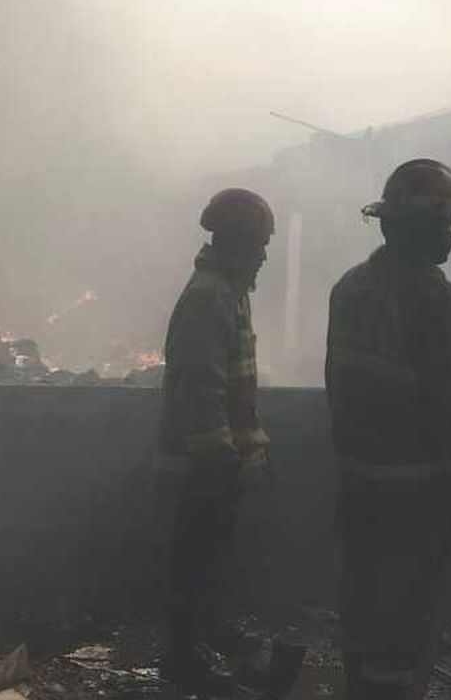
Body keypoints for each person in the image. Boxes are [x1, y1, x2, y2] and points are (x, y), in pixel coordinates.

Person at [325, 159, 451, 700]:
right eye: (444, 224)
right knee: (406, 625)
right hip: (419, 497)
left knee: (363, 613)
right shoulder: (439, 303)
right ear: (419, 229)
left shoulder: (349, 289)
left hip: (357, 484)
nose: (449, 235)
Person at [155, 188, 274, 696]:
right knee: (195, 562)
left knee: (209, 559)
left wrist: (252, 448)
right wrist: (220, 457)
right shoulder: (210, 297)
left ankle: (205, 636)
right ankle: (184, 658)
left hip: (218, 463)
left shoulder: (227, 293)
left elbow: (233, 389)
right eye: (260, 245)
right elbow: (202, 389)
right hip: (204, 466)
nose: (265, 257)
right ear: (236, 244)